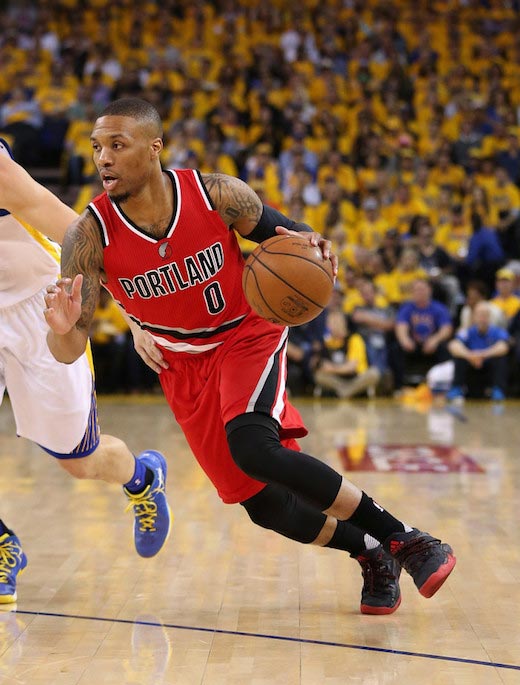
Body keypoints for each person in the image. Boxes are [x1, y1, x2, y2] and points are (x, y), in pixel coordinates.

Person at [44, 98, 456, 616]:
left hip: (246, 334)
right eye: (97, 147)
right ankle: (371, 550)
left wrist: (317, 250)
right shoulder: (87, 236)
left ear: (154, 149)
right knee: (261, 505)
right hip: (182, 363)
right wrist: (61, 332)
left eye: (117, 145)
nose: (103, 158)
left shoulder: (216, 194)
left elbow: (293, 237)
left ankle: (408, 539)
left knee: (254, 448)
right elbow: (67, 350)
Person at [0, 137, 171, 605]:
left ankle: (142, 478)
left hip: (41, 306)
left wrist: (134, 314)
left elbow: (75, 233)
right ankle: (3, 543)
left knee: (79, 461)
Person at [446, 302, 509, 402]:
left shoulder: (497, 331)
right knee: (459, 356)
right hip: (472, 366)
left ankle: (498, 389)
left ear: (489, 317)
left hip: (489, 368)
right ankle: (457, 387)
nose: (482, 319)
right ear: (474, 317)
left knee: (500, 358)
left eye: (485, 315)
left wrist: (483, 355)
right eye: (479, 315)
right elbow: (453, 345)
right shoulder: (467, 332)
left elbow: (504, 347)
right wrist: (470, 356)